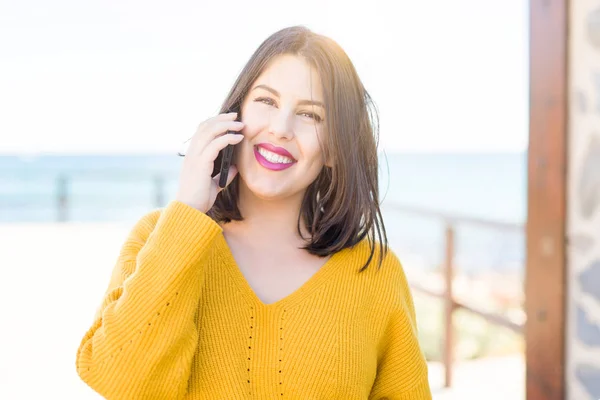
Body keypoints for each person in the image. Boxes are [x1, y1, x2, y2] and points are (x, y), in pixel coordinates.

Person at [75, 25, 432, 399]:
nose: (280, 129)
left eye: (311, 115)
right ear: (235, 114)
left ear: (333, 150)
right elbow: (119, 380)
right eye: (267, 101)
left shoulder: (374, 273)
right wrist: (187, 213)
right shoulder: (157, 238)